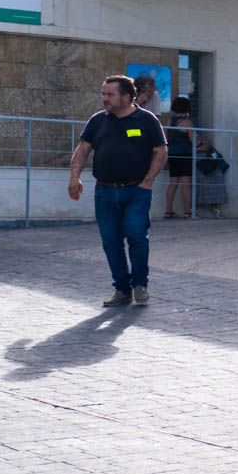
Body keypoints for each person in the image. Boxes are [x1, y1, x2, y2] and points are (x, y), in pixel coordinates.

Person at [67, 75, 166, 307]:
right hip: (105, 191)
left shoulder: (147, 120)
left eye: (110, 94)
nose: (105, 99)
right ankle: (122, 289)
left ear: (126, 96)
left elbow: (160, 152)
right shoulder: (98, 121)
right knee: (111, 241)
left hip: (136, 191)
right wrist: (74, 178)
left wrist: (148, 181)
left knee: (136, 236)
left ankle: (140, 285)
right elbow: (82, 151)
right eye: (103, 94)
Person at [162, 96, 196, 218]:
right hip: (185, 155)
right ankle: (187, 212)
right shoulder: (188, 122)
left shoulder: (169, 121)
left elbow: (165, 139)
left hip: (172, 154)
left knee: (173, 183)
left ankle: (168, 211)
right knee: (185, 184)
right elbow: (193, 140)